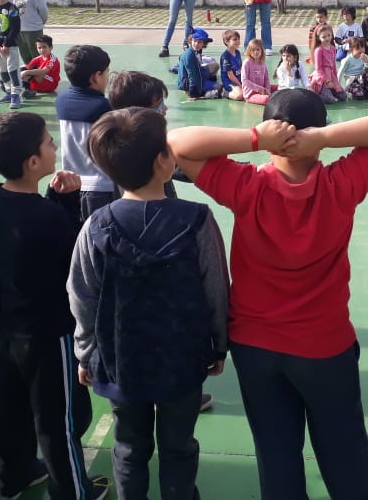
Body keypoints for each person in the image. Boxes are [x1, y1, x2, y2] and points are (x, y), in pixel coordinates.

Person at [168, 89, 368, 500]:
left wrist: (255, 138)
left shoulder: (245, 186)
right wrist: (322, 138)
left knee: (275, 448)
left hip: (255, 346)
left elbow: (178, 142)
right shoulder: (340, 184)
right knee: (343, 446)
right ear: (319, 133)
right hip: (323, 346)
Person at [68, 108, 229, 500]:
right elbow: (215, 288)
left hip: (121, 360)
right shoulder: (198, 220)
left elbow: (82, 296)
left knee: (128, 447)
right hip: (183, 358)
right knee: (179, 445)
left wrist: (85, 353)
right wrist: (218, 344)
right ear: (163, 161)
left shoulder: (96, 225)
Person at [0, 113, 107, 500]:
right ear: (33, 162)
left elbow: (27, 228)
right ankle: (73, 492)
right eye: (49, 143)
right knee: (59, 421)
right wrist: (69, 203)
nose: (55, 147)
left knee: (10, 409)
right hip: (50, 335)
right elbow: (76, 259)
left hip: (9, 328)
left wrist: (57, 199)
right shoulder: (49, 217)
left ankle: (13, 478)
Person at [56, 44, 115, 220]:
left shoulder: (61, 101)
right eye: (106, 72)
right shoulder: (105, 108)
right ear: (96, 77)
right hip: (101, 187)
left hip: (71, 184)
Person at [11, 0, 49, 65]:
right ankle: (30, 72)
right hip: (20, 31)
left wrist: (38, 24)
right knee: (26, 56)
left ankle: (40, 73)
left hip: (33, 31)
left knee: (37, 56)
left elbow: (44, 12)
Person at [179, 28, 221, 101]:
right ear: (191, 40)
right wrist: (193, 94)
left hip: (199, 75)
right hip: (190, 84)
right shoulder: (189, 55)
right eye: (195, 41)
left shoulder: (195, 51)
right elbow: (191, 75)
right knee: (219, 87)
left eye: (199, 42)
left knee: (215, 65)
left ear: (203, 44)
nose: (196, 44)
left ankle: (207, 85)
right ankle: (202, 94)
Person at [309, 24, 346, 103]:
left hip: (331, 76)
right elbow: (318, 69)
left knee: (343, 96)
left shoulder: (333, 48)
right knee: (330, 100)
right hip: (322, 78)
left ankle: (330, 91)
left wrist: (335, 81)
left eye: (329, 35)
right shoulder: (319, 50)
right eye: (324, 37)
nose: (327, 38)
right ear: (318, 38)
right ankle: (315, 95)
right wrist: (327, 81)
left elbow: (333, 65)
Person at [20, 34, 61, 98]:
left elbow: (44, 71)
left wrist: (26, 72)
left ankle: (29, 89)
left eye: (44, 47)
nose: (41, 50)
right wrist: (22, 71)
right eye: (39, 48)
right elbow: (27, 67)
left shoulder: (53, 60)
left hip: (50, 85)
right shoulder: (37, 59)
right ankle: (28, 90)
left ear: (51, 48)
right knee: (23, 68)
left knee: (37, 72)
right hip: (37, 85)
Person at [241, 38, 272, 106]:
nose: (256, 52)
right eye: (253, 50)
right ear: (249, 51)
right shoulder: (247, 63)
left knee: (279, 87)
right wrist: (259, 89)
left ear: (262, 51)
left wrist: (268, 89)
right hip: (251, 94)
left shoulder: (262, 63)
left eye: (258, 49)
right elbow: (244, 80)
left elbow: (266, 78)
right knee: (266, 99)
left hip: (262, 90)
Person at [219, 29, 244, 100]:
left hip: (239, 79)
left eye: (238, 39)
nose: (238, 41)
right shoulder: (225, 56)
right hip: (230, 82)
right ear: (227, 42)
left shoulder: (237, 52)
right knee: (240, 95)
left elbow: (241, 68)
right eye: (235, 39)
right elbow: (230, 75)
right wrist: (240, 85)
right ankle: (224, 92)